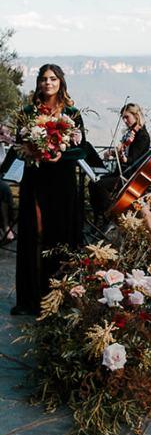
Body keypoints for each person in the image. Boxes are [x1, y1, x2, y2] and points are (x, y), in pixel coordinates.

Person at [11, 64, 86, 316]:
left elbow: (81, 149)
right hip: (35, 178)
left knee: (60, 234)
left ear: (60, 82)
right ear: (38, 83)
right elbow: (17, 147)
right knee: (35, 232)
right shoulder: (27, 112)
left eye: (52, 79)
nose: (48, 83)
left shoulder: (73, 112)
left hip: (62, 180)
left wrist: (60, 155)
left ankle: (59, 296)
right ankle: (29, 299)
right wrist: (31, 150)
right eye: (43, 79)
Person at [89, 103, 151, 218]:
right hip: (120, 173)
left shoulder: (142, 136)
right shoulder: (131, 134)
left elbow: (133, 160)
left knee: (98, 186)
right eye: (123, 118)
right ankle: (99, 217)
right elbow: (125, 152)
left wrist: (123, 157)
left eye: (126, 117)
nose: (124, 120)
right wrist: (113, 153)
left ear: (136, 116)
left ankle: (110, 214)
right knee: (92, 183)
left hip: (129, 177)